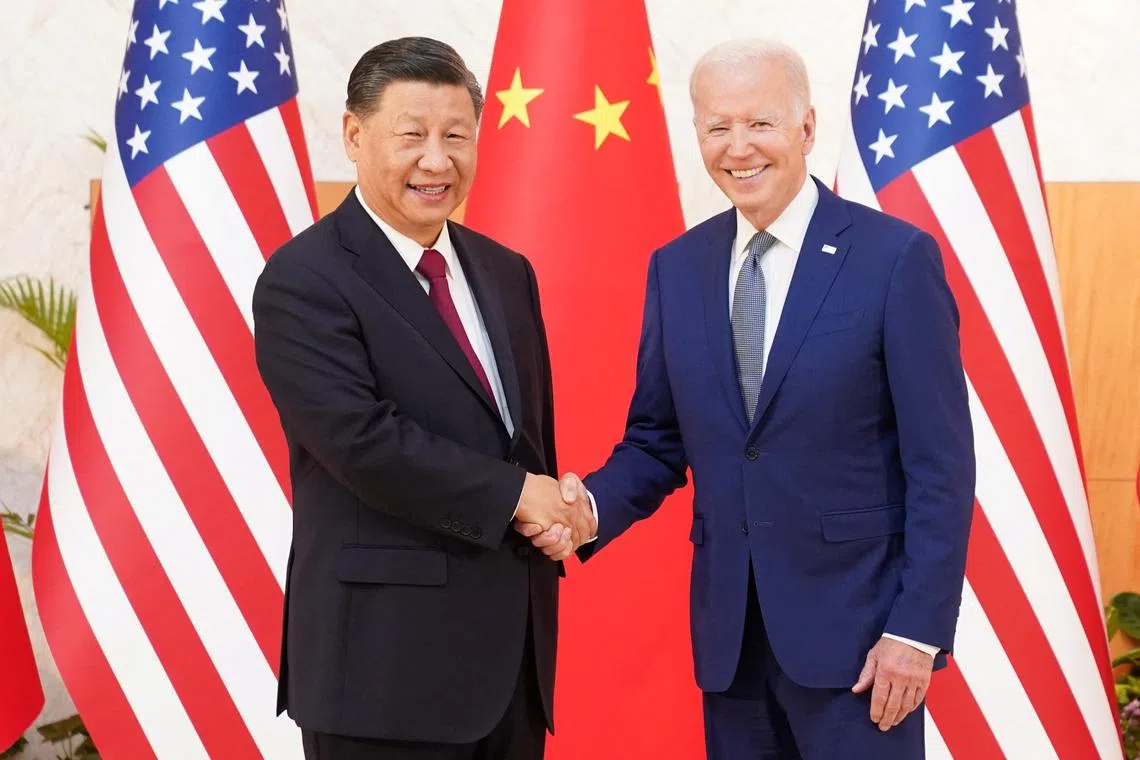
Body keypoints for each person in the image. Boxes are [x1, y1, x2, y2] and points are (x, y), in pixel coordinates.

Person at [520, 39, 975, 759]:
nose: (738, 148)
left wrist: (915, 633)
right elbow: (658, 441)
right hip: (731, 645)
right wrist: (588, 512)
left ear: (806, 127)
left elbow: (941, 468)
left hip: (862, 646)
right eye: (716, 127)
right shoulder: (678, 266)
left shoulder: (894, 258)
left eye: (759, 123)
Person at [253, 36, 592, 760]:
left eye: (456, 136)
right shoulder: (304, 280)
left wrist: (552, 516)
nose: (436, 160)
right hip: (382, 675)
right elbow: (361, 443)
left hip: (512, 671)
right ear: (353, 133)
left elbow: (522, 440)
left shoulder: (505, 273)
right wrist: (517, 497)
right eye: (412, 136)